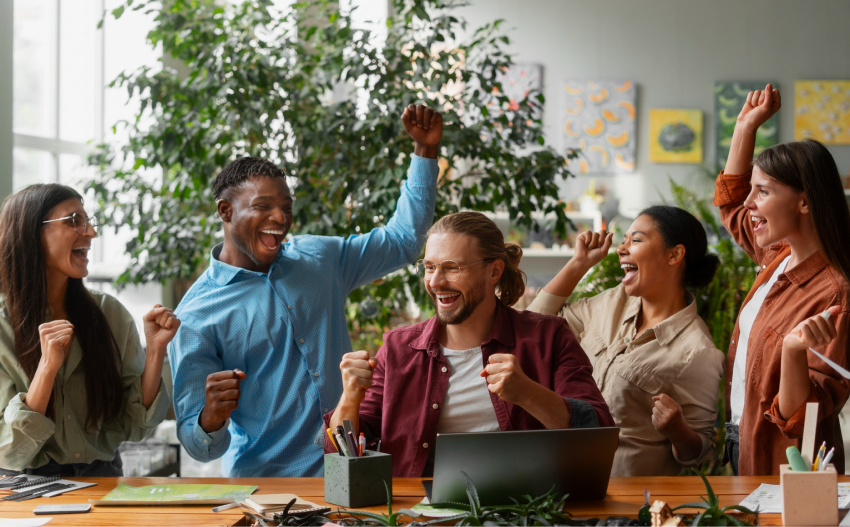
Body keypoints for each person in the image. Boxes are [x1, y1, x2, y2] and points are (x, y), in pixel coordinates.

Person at [168, 104, 442, 477]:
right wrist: (210, 417)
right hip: (267, 491)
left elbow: (402, 242)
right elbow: (198, 445)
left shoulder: (319, 258)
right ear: (226, 211)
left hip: (348, 474)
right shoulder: (196, 315)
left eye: (286, 206)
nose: (280, 218)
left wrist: (424, 154)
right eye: (263, 206)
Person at [324, 212, 613, 477]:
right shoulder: (398, 349)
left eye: (452, 268)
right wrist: (349, 398)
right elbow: (343, 450)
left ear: (494, 272)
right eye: (429, 267)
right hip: (418, 514)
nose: (436, 281)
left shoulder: (548, 337)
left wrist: (527, 393)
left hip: (527, 510)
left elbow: (598, 430)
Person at [526, 207, 725, 476]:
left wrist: (678, 431)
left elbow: (699, 453)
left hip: (628, 504)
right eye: (623, 240)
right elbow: (536, 325)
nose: (621, 249)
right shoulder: (613, 301)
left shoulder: (698, 352)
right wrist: (579, 264)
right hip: (565, 482)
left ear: (675, 254)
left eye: (637, 239)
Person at [716, 84, 850, 476]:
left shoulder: (836, 292)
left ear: (804, 202)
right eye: (752, 190)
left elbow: (803, 413)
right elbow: (730, 203)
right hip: (740, 436)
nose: (749, 203)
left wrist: (793, 350)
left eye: (763, 191)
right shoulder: (776, 254)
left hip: (785, 462)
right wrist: (744, 127)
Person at [0, 184, 178, 476]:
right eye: (73, 221)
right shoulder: (2, 326)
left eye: (88, 221)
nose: (91, 233)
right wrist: (46, 369)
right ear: (31, 233)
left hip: (103, 480)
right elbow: (8, 449)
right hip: (25, 488)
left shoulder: (110, 313)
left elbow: (134, 424)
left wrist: (156, 350)